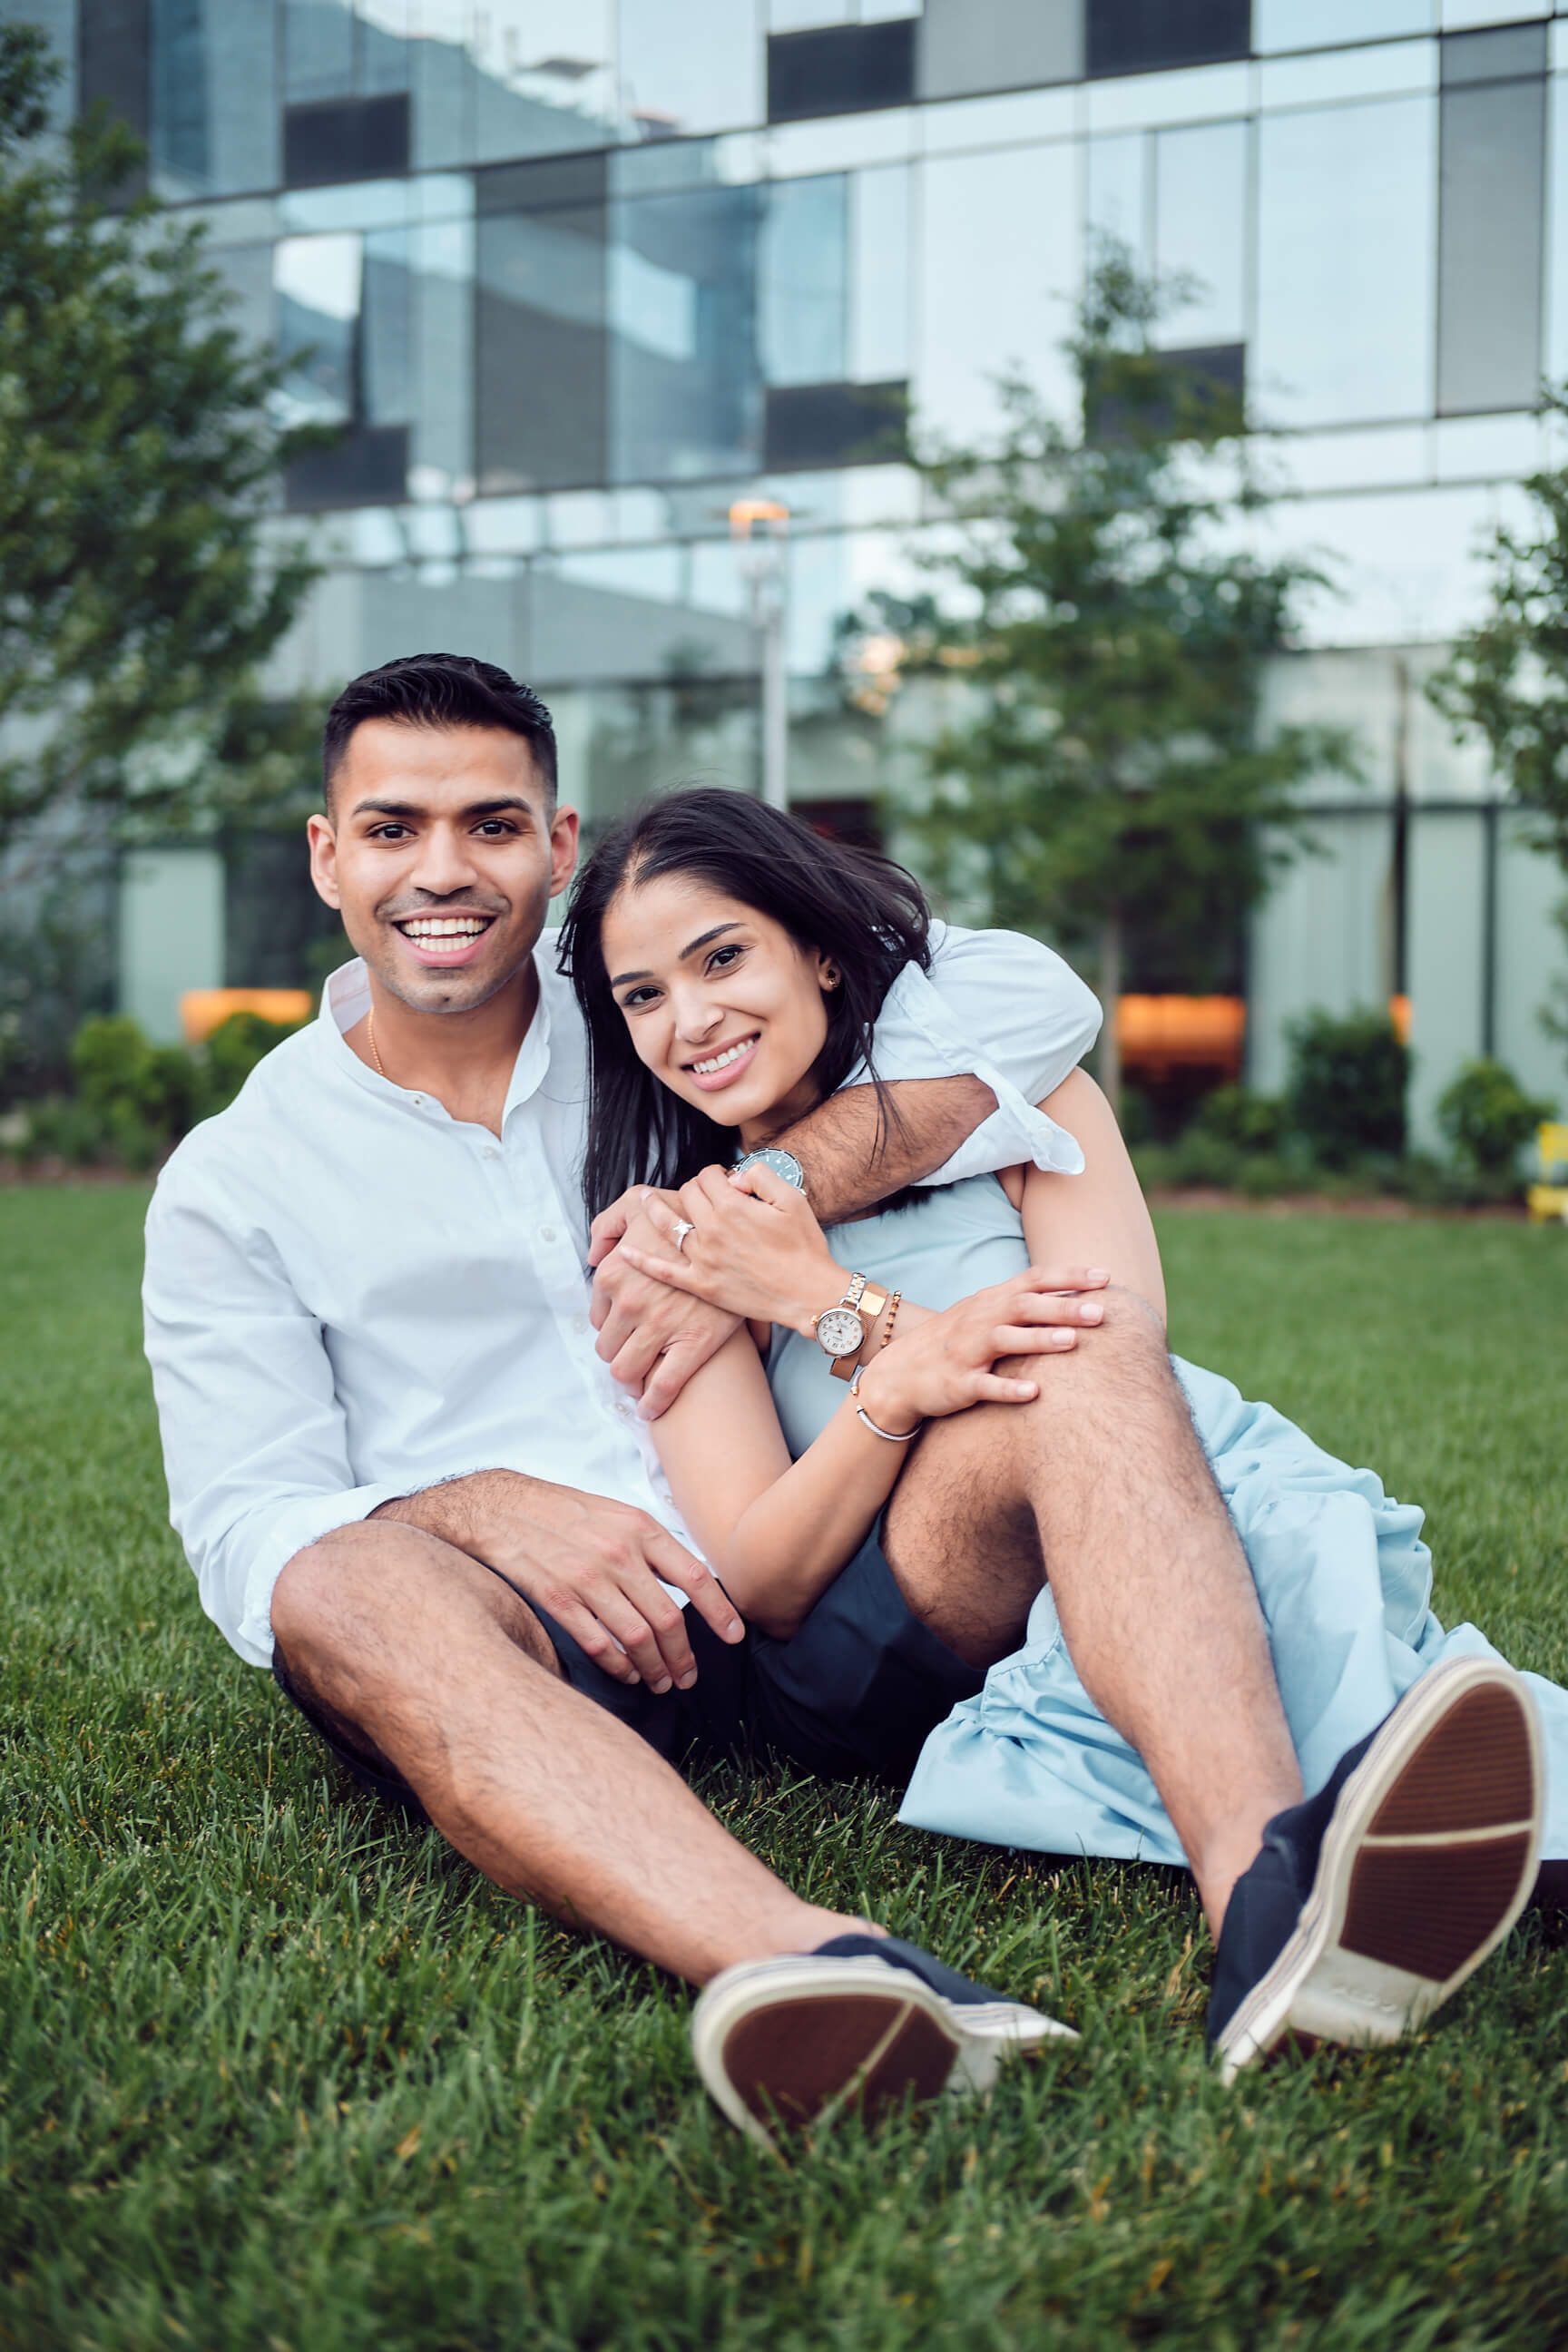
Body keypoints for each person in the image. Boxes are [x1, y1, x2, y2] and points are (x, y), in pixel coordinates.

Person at [144, 652, 1121, 2151]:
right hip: (548, 1657)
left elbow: (1025, 989)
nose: (443, 872)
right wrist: (467, 1506)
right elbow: (242, 1525)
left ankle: (1305, 1807)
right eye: (394, 828)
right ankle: (817, 1964)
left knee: (1039, 1367)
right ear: (329, 856)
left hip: (815, 1562)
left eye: (491, 822)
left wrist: (768, 1184)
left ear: (559, 844)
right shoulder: (236, 1175)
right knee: (334, 1582)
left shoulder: (647, 1002)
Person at [558, 786, 1564, 2084]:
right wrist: (891, 1390)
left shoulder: (1027, 1109)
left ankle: (1299, 1897)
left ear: (814, 944)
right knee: (1067, 1378)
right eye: (642, 995)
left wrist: (833, 1306)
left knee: (1092, 1369)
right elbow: (761, 1578)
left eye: (721, 957)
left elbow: (1114, 1363)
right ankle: (1265, 1884)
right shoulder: (677, 1246)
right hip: (878, 1615)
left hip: (1124, 1500)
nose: (690, 1021)